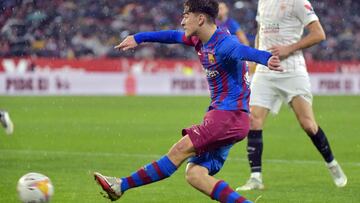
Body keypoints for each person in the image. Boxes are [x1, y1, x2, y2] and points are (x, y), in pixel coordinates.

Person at [93, 0, 281, 202]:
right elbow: (172, 36)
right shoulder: (199, 39)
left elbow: (243, 51)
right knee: (195, 174)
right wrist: (139, 38)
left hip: (228, 117)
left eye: (186, 15)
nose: (182, 21)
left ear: (200, 19)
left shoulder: (224, 44)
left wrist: (266, 58)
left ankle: (121, 185)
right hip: (228, 118)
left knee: (179, 150)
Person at [236, 0, 347, 191]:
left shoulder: (298, 2)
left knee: (308, 124)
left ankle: (332, 163)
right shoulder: (263, 1)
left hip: (292, 70)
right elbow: (261, 32)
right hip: (265, 70)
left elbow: (319, 34)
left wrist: (289, 48)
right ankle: (256, 177)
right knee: (253, 120)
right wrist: (255, 62)